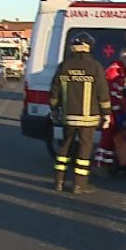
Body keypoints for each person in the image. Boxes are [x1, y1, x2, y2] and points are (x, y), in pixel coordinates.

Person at [49, 34, 112, 194]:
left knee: (65, 147)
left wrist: (54, 109)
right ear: (89, 47)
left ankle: (59, 181)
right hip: (88, 118)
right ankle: (79, 184)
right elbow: (103, 92)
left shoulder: (64, 66)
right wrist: (106, 113)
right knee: (84, 149)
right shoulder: (95, 66)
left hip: (68, 117)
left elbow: (54, 90)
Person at [95, 49, 126, 172]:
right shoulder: (115, 71)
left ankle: (107, 164)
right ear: (121, 58)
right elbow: (112, 93)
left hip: (114, 111)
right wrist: (117, 110)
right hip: (110, 111)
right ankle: (100, 164)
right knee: (106, 139)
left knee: (111, 139)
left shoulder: (121, 71)